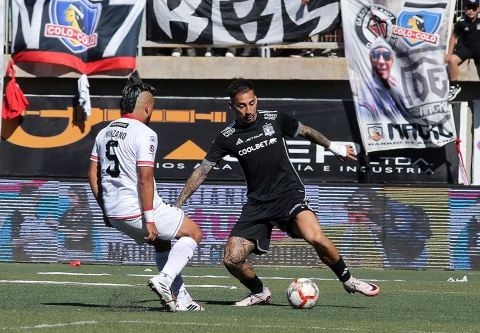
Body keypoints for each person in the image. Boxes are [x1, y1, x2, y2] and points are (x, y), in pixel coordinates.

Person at [174, 79, 380, 306]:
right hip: (257, 205)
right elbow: (202, 170)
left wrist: (333, 147)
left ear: (256, 100)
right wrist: (178, 203)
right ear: (231, 106)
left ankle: (349, 280)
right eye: (241, 105)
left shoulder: (276, 119)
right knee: (232, 260)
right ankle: (260, 292)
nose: (248, 110)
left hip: (289, 195)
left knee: (316, 238)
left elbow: (306, 131)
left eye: (251, 103)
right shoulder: (226, 137)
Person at [88, 71, 204, 312]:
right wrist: (150, 219)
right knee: (193, 233)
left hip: (114, 213)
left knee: (163, 245)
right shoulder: (145, 133)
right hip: (137, 211)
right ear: (148, 107)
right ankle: (165, 279)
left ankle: (181, 299)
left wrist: (105, 211)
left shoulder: (104, 131)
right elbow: (145, 178)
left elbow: (92, 174)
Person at [359, 37, 409, 122]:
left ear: (392, 61)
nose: (381, 61)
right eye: (375, 55)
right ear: (370, 61)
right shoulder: (367, 99)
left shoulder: (399, 87)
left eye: (386, 56)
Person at [445, 0, 480, 101]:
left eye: (473, 9)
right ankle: (454, 86)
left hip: (478, 47)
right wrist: (449, 54)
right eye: (468, 8)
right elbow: (453, 37)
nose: (471, 11)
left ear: (478, 9)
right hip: (465, 48)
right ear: (465, 9)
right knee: (452, 60)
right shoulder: (461, 21)